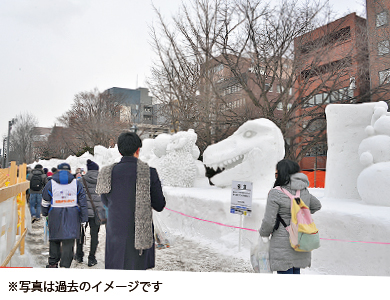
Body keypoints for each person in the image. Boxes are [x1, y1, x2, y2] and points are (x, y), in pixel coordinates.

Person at [96, 131, 166, 270]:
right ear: (138, 150)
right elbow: (159, 205)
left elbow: (105, 201)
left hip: (115, 233)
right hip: (140, 235)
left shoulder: (106, 172)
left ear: (120, 152)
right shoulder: (149, 172)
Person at [259, 159, 322, 274]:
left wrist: (263, 234)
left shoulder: (276, 192)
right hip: (301, 237)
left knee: (285, 270)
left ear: (281, 173)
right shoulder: (303, 190)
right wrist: (301, 215)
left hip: (282, 240)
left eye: (276, 173)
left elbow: (269, 221)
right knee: (295, 270)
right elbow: (317, 205)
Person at [41, 163, 88, 268]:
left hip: (55, 215)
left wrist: (45, 213)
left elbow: (45, 201)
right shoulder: (77, 184)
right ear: (70, 172)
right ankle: (65, 266)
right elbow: (83, 203)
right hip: (72, 216)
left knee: (54, 239)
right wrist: (84, 218)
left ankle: (53, 263)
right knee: (69, 240)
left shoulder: (50, 183)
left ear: (58, 170)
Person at [74, 159, 105, 267]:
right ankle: (92, 258)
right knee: (94, 235)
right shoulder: (103, 181)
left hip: (83, 212)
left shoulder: (81, 181)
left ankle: (79, 255)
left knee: (80, 233)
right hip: (97, 212)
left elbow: (76, 196)